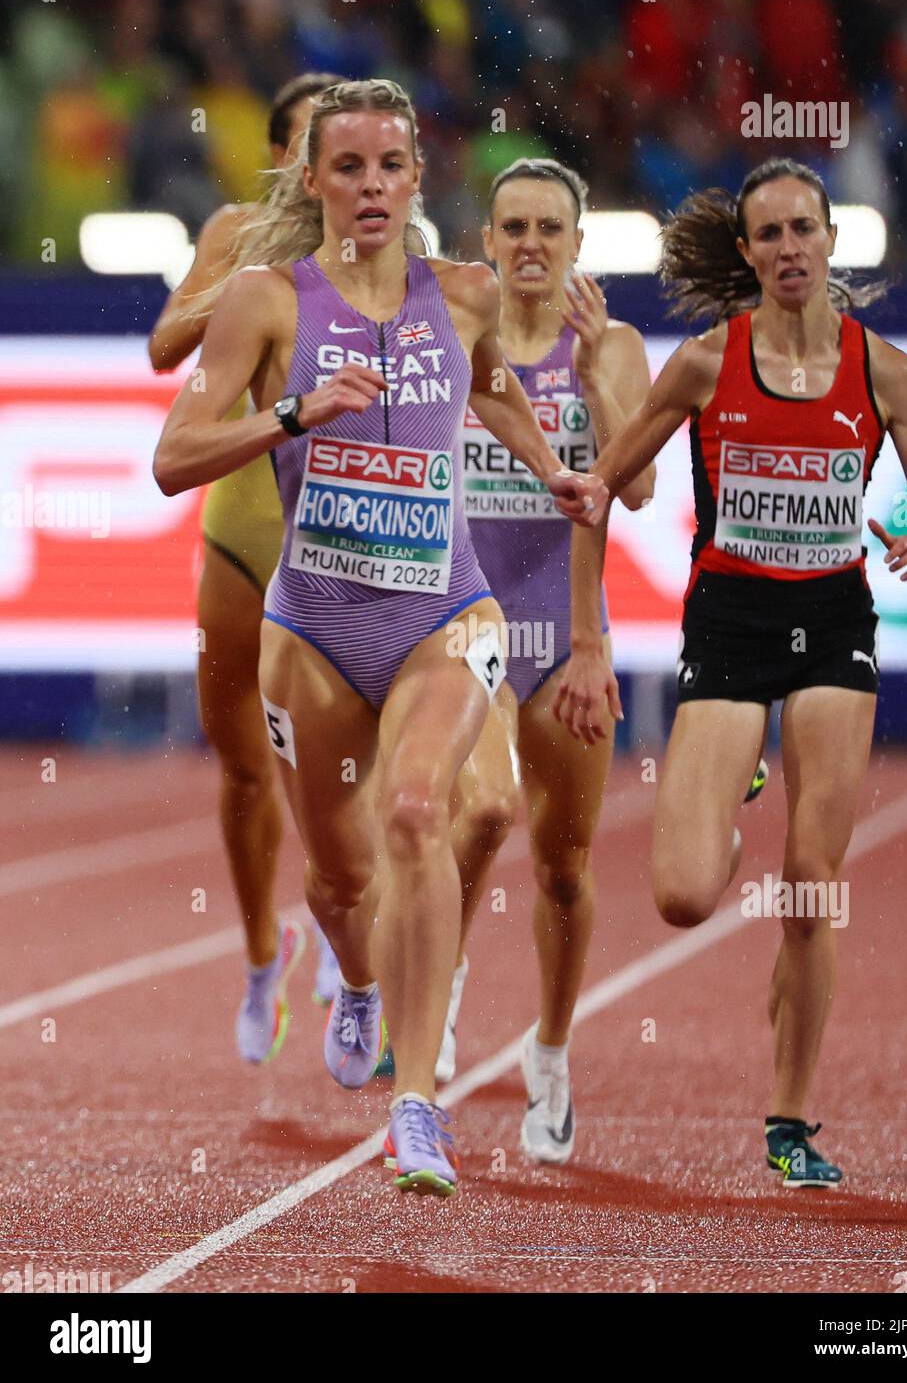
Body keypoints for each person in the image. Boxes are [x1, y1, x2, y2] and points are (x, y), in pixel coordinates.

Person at [152, 79, 607, 1197]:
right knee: (342, 886)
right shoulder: (267, 300)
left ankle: (417, 1108)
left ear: (417, 179)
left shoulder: (460, 294)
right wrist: (295, 415)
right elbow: (174, 455)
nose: (370, 187)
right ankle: (353, 982)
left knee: (417, 811)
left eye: (389, 167)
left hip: (441, 614)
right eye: (346, 167)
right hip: (312, 624)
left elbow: (496, 388)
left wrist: (552, 467)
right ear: (312, 181)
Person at [555, 158, 907, 1187]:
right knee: (688, 894)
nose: (789, 248)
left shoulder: (886, 371)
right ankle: (733, 784)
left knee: (812, 888)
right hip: (733, 624)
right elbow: (602, 491)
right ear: (747, 255)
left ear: (833, 242)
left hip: (834, 622)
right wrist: (587, 619)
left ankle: (791, 1122)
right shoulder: (703, 363)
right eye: (770, 235)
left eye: (804, 229)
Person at [436, 158, 654, 1164]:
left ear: (577, 246)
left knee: (564, 871)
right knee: (479, 814)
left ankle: (552, 1056)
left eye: (548, 230)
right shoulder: (447, 339)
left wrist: (594, 374)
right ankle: (437, 987)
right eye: (512, 227)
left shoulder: (611, 349)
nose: (529, 244)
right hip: (464, 621)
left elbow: (638, 491)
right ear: (485, 242)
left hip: (566, 632)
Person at [149, 73, 350, 1066]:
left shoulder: (391, 245)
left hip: (346, 532)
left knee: (335, 757)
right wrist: (243, 286)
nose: (344, 170)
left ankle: (342, 920)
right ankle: (261, 956)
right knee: (242, 764)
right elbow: (163, 346)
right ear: (286, 156)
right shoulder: (235, 230)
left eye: (362, 152)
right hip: (244, 522)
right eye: (322, 145)